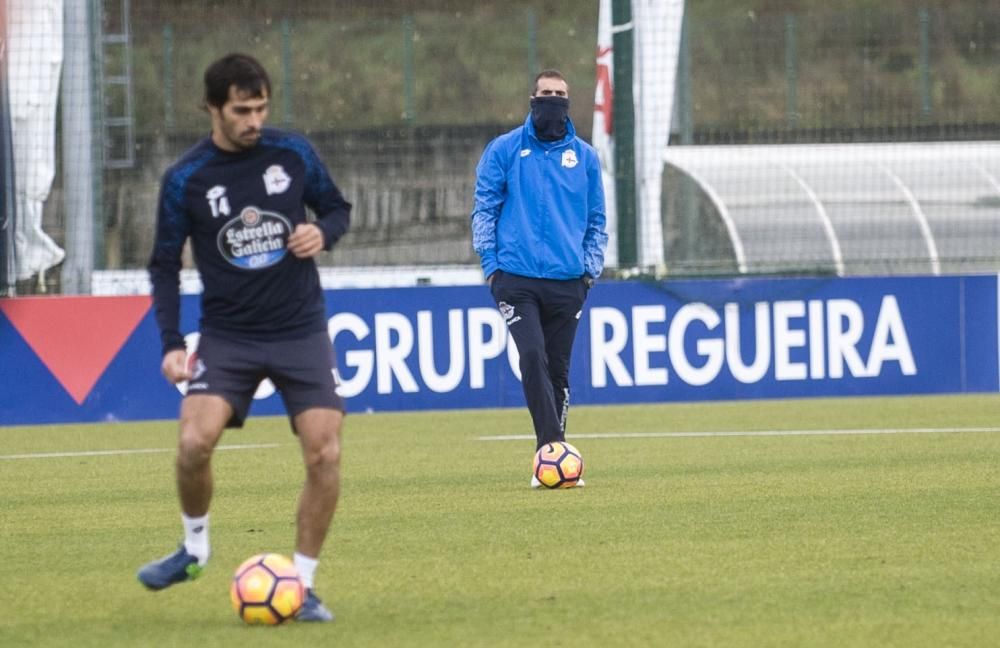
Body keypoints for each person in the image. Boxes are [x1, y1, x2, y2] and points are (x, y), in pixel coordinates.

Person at [139, 53, 351, 622]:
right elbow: (164, 265)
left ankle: (301, 586)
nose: (253, 120)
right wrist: (171, 343)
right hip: (229, 334)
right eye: (241, 110)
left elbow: (337, 208)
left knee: (324, 449)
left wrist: (320, 233)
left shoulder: (294, 154)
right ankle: (193, 549)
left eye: (261, 108)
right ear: (212, 108)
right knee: (192, 444)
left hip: (299, 327)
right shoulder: (186, 178)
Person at [471, 69, 608, 488]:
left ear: (569, 101)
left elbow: (597, 220)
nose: (553, 100)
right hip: (516, 278)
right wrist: (491, 266)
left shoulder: (584, 157)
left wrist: (589, 270)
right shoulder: (505, 150)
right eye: (546, 94)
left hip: (569, 281)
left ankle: (554, 454)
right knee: (531, 357)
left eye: (560, 95)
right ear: (533, 99)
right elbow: (484, 208)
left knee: (559, 372)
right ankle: (551, 450)